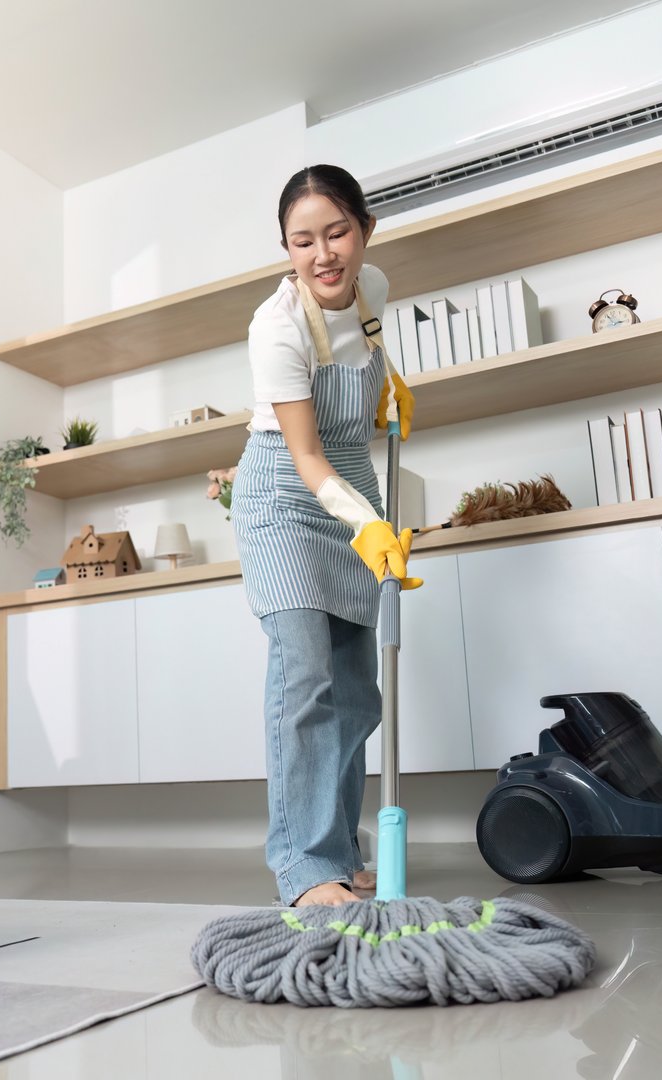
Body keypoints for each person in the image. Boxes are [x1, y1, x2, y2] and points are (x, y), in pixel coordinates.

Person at [230, 164, 420, 909]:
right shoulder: (274, 329)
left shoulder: (373, 287)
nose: (322, 254)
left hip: (350, 484)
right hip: (286, 493)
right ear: (286, 249)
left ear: (364, 230)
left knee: (355, 692)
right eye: (301, 241)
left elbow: (358, 354)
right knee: (305, 678)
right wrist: (367, 525)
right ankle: (304, 869)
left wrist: (390, 386)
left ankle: (339, 851)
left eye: (336, 232)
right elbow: (306, 456)